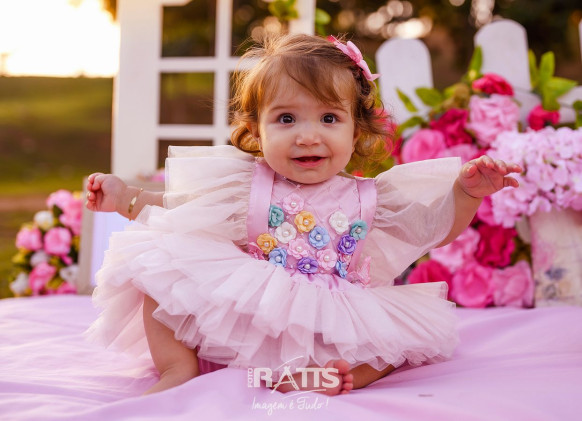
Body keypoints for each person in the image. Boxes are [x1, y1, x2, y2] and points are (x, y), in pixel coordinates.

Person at [85, 33, 521, 396]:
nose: (308, 136)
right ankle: (177, 368)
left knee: (393, 346)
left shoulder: (372, 199)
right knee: (160, 267)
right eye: (287, 119)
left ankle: (335, 377)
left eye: (329, 118)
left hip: (326, 318)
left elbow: (432, 228)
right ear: (256, 130)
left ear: (357, 130)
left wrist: (465, 194)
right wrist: (126, 197)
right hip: (251, 309)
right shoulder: (245, 184)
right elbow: (180, 209)